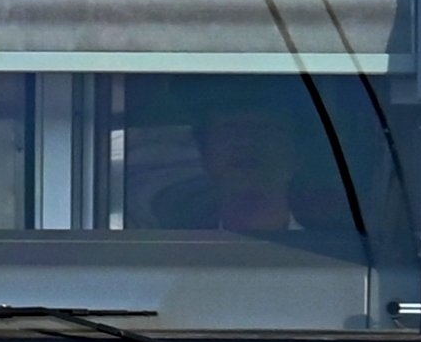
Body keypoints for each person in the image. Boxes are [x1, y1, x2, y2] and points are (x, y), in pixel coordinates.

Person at [145, 79, 354, 238]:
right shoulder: (177, 256)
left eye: (265, 130)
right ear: (204, 154)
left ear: (297, 155)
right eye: (230, 131)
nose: (246, 144)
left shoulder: (331, 257)